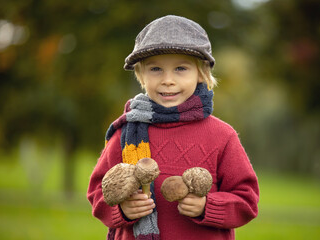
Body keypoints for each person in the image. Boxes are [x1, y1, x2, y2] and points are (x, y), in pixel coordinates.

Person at [87, 15, 259, 240]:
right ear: (141, 75)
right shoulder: (126, 132)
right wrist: (121, 210)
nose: (168, 80)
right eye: (156, 69)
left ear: (201, 73)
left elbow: (247, 200)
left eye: (180, 68)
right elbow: (97, 192)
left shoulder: (222, 136)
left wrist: (208, 206)